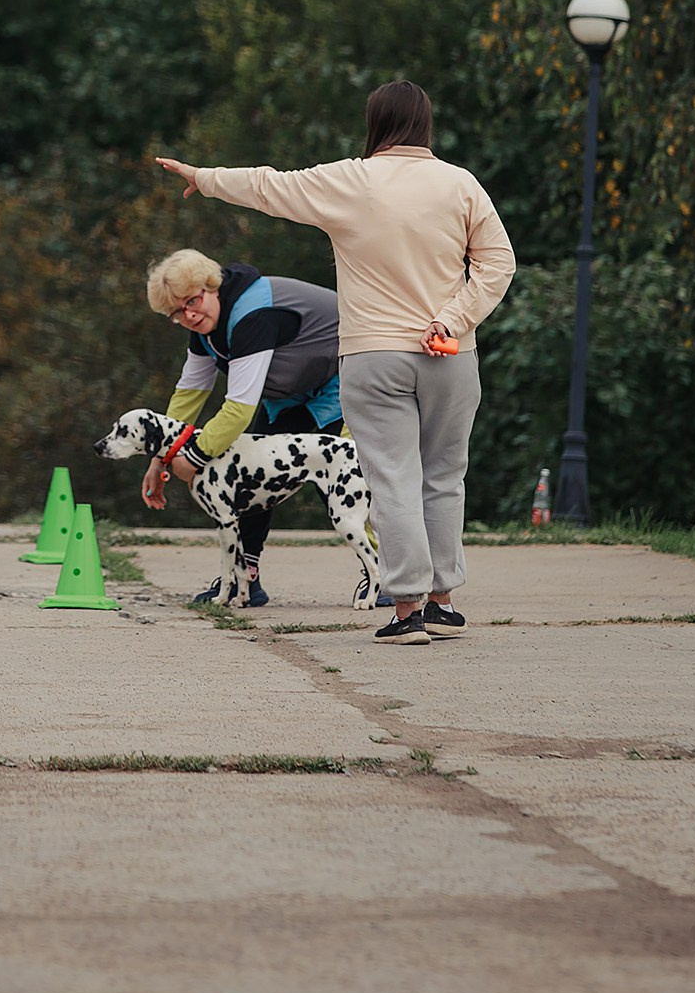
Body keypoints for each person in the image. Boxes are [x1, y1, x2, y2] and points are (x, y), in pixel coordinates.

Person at [154, 81, 513, 646]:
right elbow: (498, 261)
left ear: (375, 123)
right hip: (451, 354)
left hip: (373, 357)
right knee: (444, 477)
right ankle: (444, 603)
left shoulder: (351, 179)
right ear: (425, 123)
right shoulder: (461, 184)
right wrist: (454, 318)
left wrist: (204, 177)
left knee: (392, 479)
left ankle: (406, 610)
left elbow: (271, 186)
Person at [141, 249, 343, 607]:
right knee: (251, 474)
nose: (188, 315)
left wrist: (194, 457)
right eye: (176, 313)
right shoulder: (205, 327)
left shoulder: (252, 313)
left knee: (350, 480)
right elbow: (188, 397)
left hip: (346, 381)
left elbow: (237, 411)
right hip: (292, 393)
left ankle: (393, 580)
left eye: (192, 301)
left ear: (212, 286)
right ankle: (243, 578)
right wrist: (160, 459)